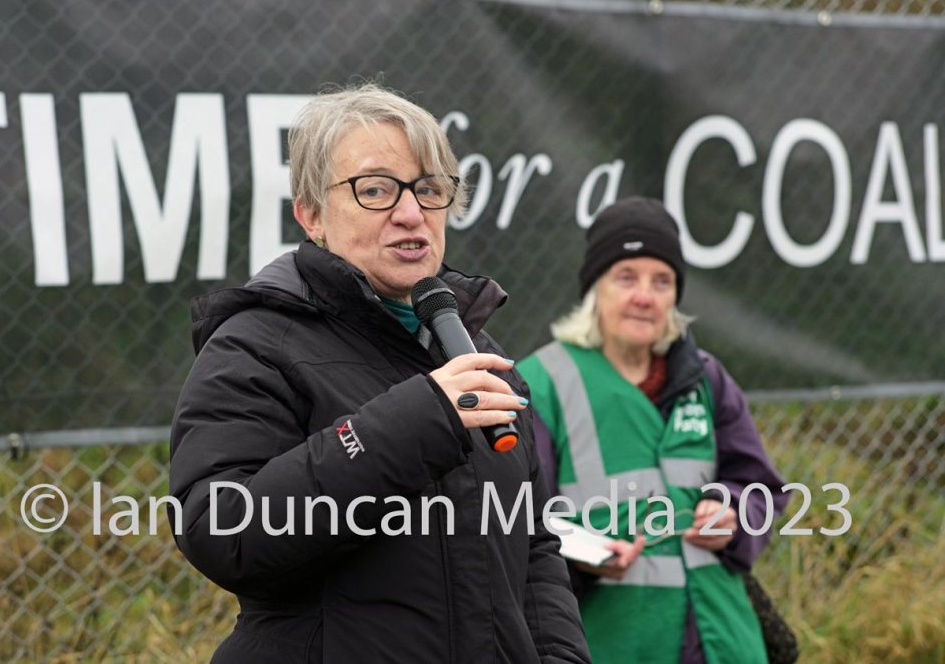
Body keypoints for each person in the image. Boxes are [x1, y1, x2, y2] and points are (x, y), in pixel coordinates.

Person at [168, 83, 590, 663]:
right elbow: (223, 532)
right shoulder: (254, 344)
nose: (411, 214)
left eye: (430, 190)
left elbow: (534, 544)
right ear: (311, 214)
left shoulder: (475, 353)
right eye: (375, 190)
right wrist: (423, 418)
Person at [517, 197, 789, 663]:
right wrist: (582, 557)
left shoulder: (705, 376)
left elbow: (759, 487)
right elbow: (518, 519)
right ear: (594, 288)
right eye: (626, 277)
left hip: (725, 641)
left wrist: (732, 514)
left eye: (661, 281)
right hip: (613, 642)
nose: (644, 296)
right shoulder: (540, 383)